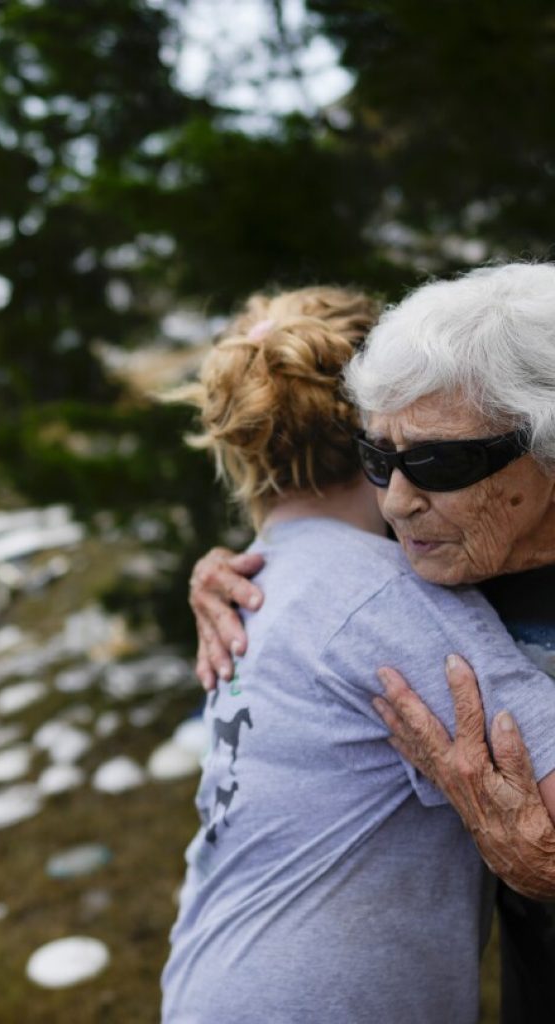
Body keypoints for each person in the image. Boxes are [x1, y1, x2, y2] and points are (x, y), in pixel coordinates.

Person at [159, 283, 555, 1024]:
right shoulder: (402, 592)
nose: (405, 496)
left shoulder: (276, 582)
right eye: (385, 454)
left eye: (438, 459)